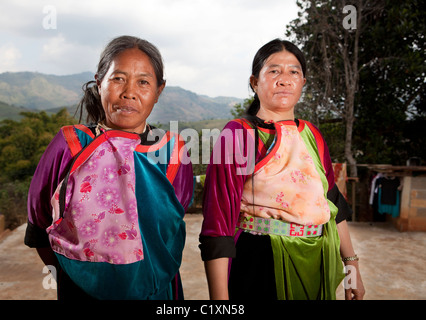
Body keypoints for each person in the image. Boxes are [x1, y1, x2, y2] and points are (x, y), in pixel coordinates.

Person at [25, 36, 193, 300]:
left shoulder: (172, 152)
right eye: (118, 78)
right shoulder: (70, 145)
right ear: (99, 81)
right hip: (81, 291)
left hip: (158, 293)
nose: (129, 92)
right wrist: (74, 274)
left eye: (143, 82)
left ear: (159, 90)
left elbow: (170, 227)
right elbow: (39, 222)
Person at [199, 39, 365, 300]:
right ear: (255, 82)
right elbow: (218, 221)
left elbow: (332, 202)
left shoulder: (312, 135)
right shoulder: (239, 134)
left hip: (317, 260)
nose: (284, 79)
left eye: (294, 72)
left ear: (303, 82)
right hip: (261, 263)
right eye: (274, 71)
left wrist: (351, 266)